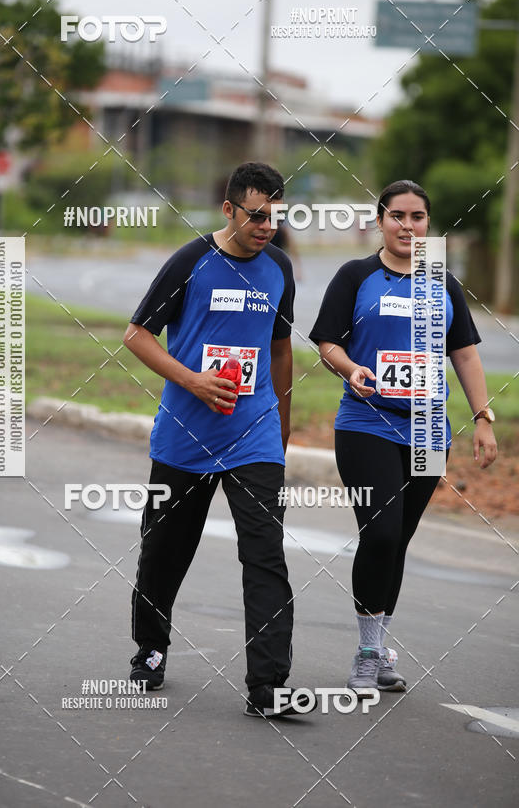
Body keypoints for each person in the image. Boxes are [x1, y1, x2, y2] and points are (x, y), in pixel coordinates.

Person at [123, 161, 311, 718]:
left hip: (253, 439)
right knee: (164, 554)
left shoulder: (279, 267)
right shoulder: (191, 262)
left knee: (266, 557)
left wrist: (281, 420)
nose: (267, 225)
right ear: (228, 209)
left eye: (276, 215)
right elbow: (136, 335)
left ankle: (269, 687)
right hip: (184, 438)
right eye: (256, 215)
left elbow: (280, 348)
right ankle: (150, 650)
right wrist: (192, 380)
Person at [309, 179, 497, 695]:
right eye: (398, 216)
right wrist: (349, 368)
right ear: (381, 220)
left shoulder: (443, 282)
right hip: (366, 423)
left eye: (417, 217)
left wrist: (482, 418)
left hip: (429, 431)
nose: (407, 226)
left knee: (399, 543)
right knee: (382, 533)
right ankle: (368, 655)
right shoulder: (356, 276)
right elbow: (327, 342)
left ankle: (378, 645)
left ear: (427, 224)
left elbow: (465, 354)